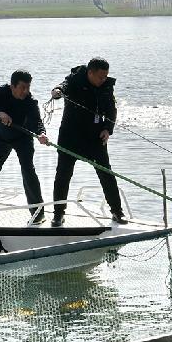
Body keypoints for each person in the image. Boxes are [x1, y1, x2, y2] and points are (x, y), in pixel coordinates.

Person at [49, 57, 124, 227]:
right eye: (100, 77)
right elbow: (63, 85)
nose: (103, 80)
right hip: (70, 137)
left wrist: (107, 129)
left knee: (106, 173)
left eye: (105, 76)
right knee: (63, 175)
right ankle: (58, 214)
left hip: (95, 137)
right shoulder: (75, 79)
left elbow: (111, 110)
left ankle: (117, 211)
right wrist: (57, 91)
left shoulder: (106, 86)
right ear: (90, 73)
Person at [0, 70, 50, 221]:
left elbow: (37, 122)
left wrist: (42, 134)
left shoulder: (30, 101)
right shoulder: (1, 92)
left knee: (28, 171)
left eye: (28, 87)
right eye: (22, 87)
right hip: (1, 136)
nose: (26, 91)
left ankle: (38, 213)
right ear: (12, 86)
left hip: (23, 138)